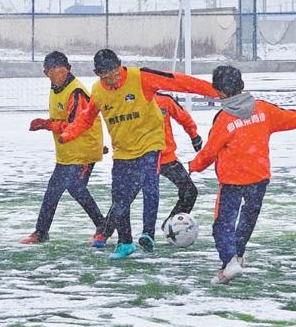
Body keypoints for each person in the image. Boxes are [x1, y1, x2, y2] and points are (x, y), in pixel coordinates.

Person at [59, 49, 218, 260]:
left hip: (151, 143)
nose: (112, 80)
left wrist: (215, 91)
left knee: (151, 184)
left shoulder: (140, 78)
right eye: (106, 77)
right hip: (123, 150)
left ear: (120, 66)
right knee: (120, 198)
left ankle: (148, 233)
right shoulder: (98, 90)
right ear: (98, 74)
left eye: (115, 74)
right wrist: (69, 133)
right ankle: (125, 242)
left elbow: (177, 81)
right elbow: (87, 118)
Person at [189, 65, 296, 284]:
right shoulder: (263, 109)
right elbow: (293, 118)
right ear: (242, 85)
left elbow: (209, 153)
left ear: (220, 92)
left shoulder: (223, 119)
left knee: (222, 224)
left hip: (233, 180)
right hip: (259, 177)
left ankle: (229, 262)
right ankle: (238, 255)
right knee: (248, 218)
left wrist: (193, 166)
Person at [91, 91, 202, 248]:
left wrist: (194, 135)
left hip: (165, 157)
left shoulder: (165, 100)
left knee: (190, 191)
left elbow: (184, 117)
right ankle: (103, 233)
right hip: (142, 158)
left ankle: (170, 225)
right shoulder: (129, 100)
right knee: (125, 198)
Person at [19, 51, 105, 245]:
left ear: (69, 70)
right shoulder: (55, 88)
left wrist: (46, 124)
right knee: (53, 190)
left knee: (76, 187)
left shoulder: (76, 92)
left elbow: (74, 125)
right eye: (54, 71)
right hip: (67, 151)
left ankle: (103, 226)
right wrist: (48, 124)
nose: (58, 75)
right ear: (46, 74)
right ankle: (41, 232)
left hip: (84, 150)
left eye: (62, 70)